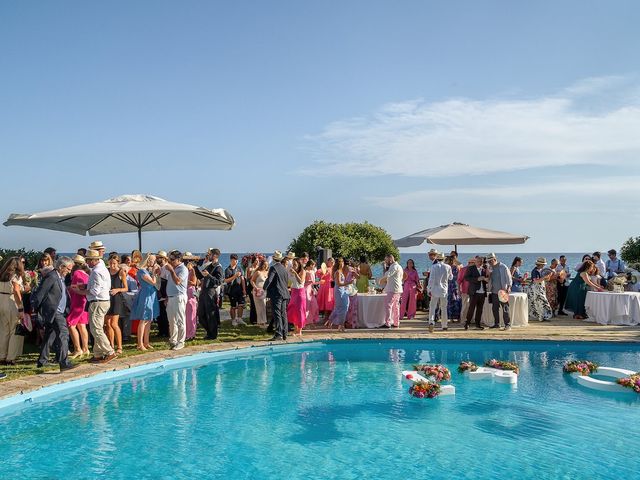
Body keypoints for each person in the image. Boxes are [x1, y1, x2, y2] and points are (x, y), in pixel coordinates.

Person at [31, 257, 77, 370]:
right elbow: (40, 293)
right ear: (61, 267)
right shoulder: (52, 276)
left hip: (58, 311)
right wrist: (35, 310)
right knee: (63, 334)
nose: (69, 272)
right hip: (54, 311)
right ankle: (64, 362)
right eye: (68, 269)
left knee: (49, 336)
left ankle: (42, 360)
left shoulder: (60, 277)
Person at [82, 249, 116, 363]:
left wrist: (81, 291)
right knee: (97, 328)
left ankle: (109, 351)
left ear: (93, 260)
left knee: (95, 329)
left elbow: (95, 291)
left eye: (88, 260)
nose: (87, 262)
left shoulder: (96, 271)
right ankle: (98, 353)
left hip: (98, 301)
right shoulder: (102, 269)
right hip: (104, 300)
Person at [0, 257, 27, 366]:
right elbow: (16, 291)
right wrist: (20, 308)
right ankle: (10, 358)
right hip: (11, 302)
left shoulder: (2, 274)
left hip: (1, 300)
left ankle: (2, 355)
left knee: (3, 330)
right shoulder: (15, 276)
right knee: (14, 330)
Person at [131, 254, 159, 350]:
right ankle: (140, 343)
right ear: (147, 261)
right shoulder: (142, 271)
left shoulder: (147, 271)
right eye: (152, 260)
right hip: (146, 295)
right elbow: (153, 282)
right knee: (143, 319)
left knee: (149, 320)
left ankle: (146, 342)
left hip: (151, 294)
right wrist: (154, 273)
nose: (154, 262)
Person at [195, 248, 224, 339]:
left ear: (214, 255)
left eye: (210, 254)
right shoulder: (209, 266)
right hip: (204, 291)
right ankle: (209, 331)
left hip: (211, 292)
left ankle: (213, 334)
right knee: (200, 314)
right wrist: (195, 267)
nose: (208, 256)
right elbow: (200, 277)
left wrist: (209, 275)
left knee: (210, 314)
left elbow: (218, 282)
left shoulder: (218, 267)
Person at [164, 250, 189, 350]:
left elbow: (178, 281)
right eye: (170, 259)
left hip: (179, 297)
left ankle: (181, 341)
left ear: (178, 259)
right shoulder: (173, 268)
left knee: (180, 320)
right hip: (171, 297)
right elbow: (169, 283)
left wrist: (171, 271)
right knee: (171, 320)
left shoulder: (183, 269)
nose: (170, 261)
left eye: (172, 259)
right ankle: (173, 340)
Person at [67, 255, 90, 357]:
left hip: (78, 301)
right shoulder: (86, 274)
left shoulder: (77, 273)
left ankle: (78, 348)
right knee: (82, 325)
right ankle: (85, 348)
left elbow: (76, 287)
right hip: (83, 301)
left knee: (70, 324)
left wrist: (68, 288)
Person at [263, 251, 290, 341]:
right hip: (285, 293)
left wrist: (264, 287)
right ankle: (285, 333)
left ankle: (278, 334)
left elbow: (269, 280)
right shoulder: (284, 269)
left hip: (277, 294)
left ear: (274, 259)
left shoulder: (273, 268)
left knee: (277, 313)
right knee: (283, 314)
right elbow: (286, 282)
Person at [105, 254, 127, 355]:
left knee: (114, 324)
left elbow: (126, 288)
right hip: (107, 298)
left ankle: (120, 346)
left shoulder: (121, 272)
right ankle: (111, 345)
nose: (112, 265)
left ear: (118, 263)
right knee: (108, 324)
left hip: (117, 299)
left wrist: (117, 289)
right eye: (110, 263)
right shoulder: (106, 271)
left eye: (114, 263)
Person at [486, 253, 513, 330]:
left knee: (505, 308)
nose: (489, 263)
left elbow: (509, 278)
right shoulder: (490, 268)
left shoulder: (503, 267)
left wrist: (509, 287)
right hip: (494, 292)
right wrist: (488, 274)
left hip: (503, 291)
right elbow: (489, 279)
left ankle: (507, 325)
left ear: (494, 259)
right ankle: (497, 324)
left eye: (490, 261)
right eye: (488, 262)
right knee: (494, 309)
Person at [427, 252, 452, 332]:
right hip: (444, 290)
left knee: (432, 307)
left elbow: (431, 279)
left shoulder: (433, 267)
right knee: (444, 308)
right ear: (444, 259)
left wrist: (429, 289)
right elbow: (451, 277)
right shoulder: (448, 267)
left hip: (434, 289)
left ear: (437, 259)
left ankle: (431, 322)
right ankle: (444, 325)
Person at [526, 257, 553, 322]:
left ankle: (543, 316)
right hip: (536, 289)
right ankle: (542, 317)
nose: (544, 265)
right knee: (540, 302)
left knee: (540, 302)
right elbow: (536, 281)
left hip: (540, 288)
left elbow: (543, 279)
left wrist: (548, 277)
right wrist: (544, 277)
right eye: (543, 264)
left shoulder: (540, 270)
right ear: (540, 264)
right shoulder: (535, 271)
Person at [380, 254, 403, 328]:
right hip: (398, 289)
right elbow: (401, 277)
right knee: (396, 306)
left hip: (393, 289)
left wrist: (381, 279)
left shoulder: (394, 266)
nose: (385, 262)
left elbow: (388, 274)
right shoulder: (399, 266)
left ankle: (388, 323)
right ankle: (396, 323)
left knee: (389, 306)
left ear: (390, 259)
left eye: (386, 260)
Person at [464, 256, 487, 330]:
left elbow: (486, 278)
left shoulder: (484, 269)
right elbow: (466, 278)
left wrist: (486, 279)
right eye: (479, 261)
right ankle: (467, 323)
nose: (480, 263)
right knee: (471, 308)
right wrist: (477, 279)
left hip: (482, 292)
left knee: (480, 309)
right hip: (474, 292)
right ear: (475, 261)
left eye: (481, 262)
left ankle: (478, 324)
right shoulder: (471, 268)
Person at [330, 257, 351, 332]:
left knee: (343, 307)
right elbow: (338, 283)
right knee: (342, 308)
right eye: (341, 263)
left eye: (343, 262)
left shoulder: (340, 272)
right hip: (339, 291)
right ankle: (340, 326)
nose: (343, 264)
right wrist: (348, 283)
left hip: (342, 290)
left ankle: (331, 321)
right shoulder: (338, 272)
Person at [287, 258, 307, 336]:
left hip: (300, 293)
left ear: (299, 264)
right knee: (293, 310)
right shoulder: (292, 271)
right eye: (293, 264)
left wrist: (295, 273)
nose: (294, 265)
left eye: (295, 264)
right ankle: (295, 329)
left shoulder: (303, 271)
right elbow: (290, 282)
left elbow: (301, 281)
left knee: (300, 311)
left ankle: (299, 330)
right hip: (293, 292)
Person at [225, 254, 246, 326]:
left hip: (239, 289)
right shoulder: (227, 270)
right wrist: (235, 276)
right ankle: (233, 320)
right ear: (231, 260)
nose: (236, 261)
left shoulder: (239, 268)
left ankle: (239, 319)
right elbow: (226, 281)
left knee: (241, 304)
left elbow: (242, 279)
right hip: (232, 290)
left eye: (237, 260)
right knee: (233, 306)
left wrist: (244, 289)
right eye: (235, 260)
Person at [183, 254, 199, 340]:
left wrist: (185, 280)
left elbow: (194, 283)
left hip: (190, 292)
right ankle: (187, 332)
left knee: (191, 315)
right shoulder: (186, 271)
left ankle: (191, 333)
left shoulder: (192, 271)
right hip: (186, 292)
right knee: (186, 315)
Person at [251, 259, 270, 327]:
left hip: (265, 291)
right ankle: (261, 322)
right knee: (259, 307)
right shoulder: (258, 272)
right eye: (264, 265)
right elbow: (252, 281)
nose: (265, 266)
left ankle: (263, 322)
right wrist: (255, 287)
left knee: (264, 306)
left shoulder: (268, 272)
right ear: (262, 265)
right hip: (257, 291)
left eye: (267, 265)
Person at [317, 257, 335, 324]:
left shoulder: (335, 269)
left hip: (332, 287)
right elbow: (318, 273)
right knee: (326, 302)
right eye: (331, 261)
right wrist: (324, 272)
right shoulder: (325, 268)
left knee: (331, 302)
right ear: (328, 262)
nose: (332, 262)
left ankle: (330, 318)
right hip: (325, 287)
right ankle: (326, 318)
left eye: (333, 261)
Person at [445, 256, 461, 322]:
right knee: (454, 302)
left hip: (452, 286)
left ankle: (454, 318)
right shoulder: (452, 268)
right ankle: (454, 318)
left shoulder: (454, 268)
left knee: (454, 302)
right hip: (451, 286)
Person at [303, 260, 319, 324]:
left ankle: (312, 319)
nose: (314, 266)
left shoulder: (312, 271)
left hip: (311, 289)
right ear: (310, 265)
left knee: (314, 305)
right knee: (307, 305)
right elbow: (303, 281)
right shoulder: (305, 271)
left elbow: (313, 282)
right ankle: (306, 321)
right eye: (313, 265)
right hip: (306, 289)